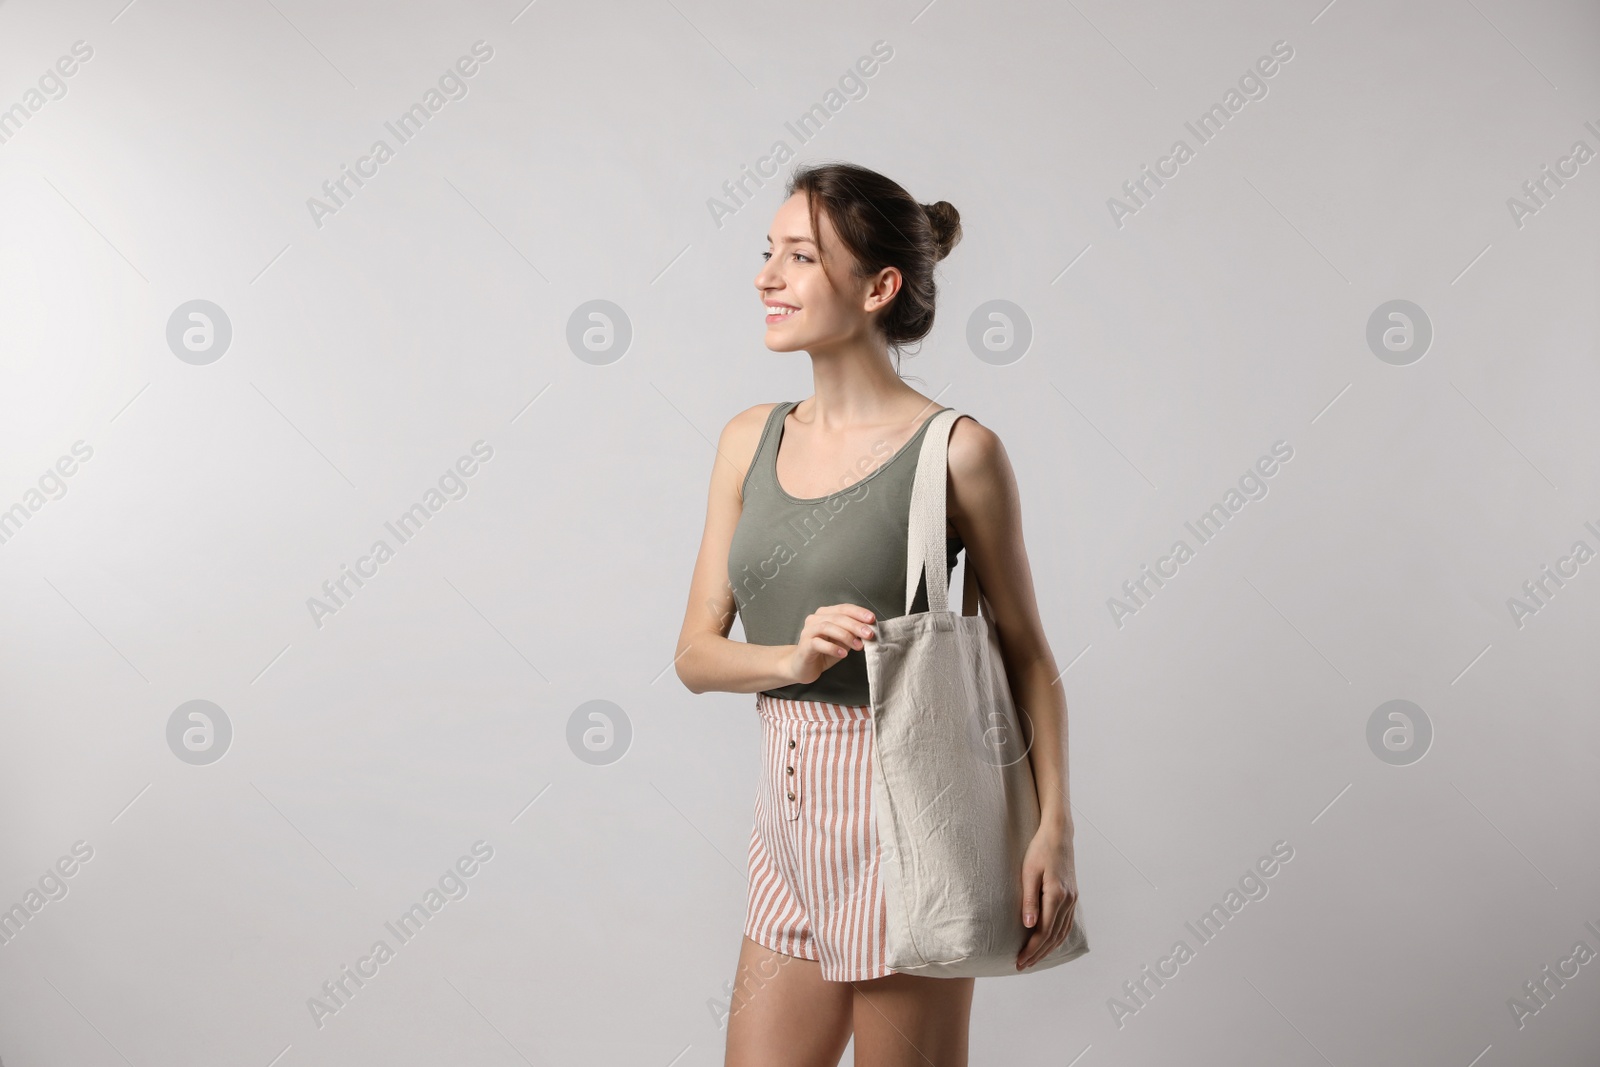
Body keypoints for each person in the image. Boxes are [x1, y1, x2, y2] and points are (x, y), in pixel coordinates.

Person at [674, 162, 1079, 1067]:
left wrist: (1055, 827)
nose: (766, 277)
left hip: (910, 808)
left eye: (800, 257)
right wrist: (791, 659)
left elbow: (1027, 657)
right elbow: (696, 653)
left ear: (878, 287)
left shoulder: (958, 453)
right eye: (767, 252)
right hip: (785, 817)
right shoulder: (750, 438)